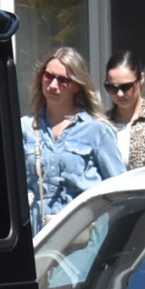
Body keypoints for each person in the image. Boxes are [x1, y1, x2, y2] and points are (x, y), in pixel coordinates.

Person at [23, 46, 125, 221]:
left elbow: (120, 189)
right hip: (39, 233)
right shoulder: (26, 128)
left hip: (83, 234)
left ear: (77, 85)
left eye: (63, 80)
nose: (53, 85)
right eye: (48, 76)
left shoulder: (96, 130)